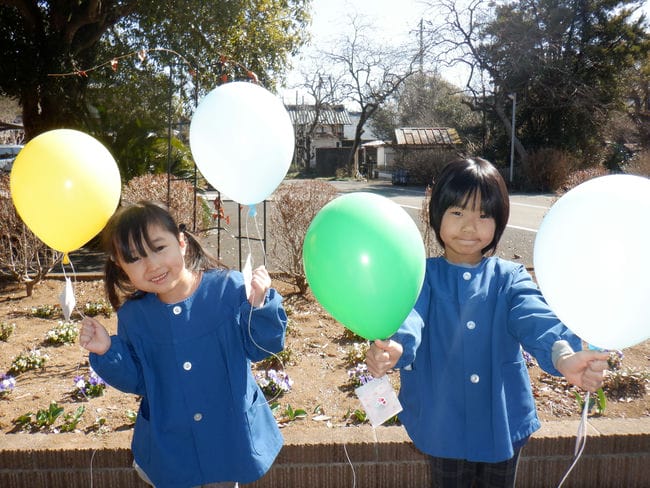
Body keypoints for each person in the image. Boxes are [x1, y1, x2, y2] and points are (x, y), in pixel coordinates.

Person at [365, 158, 609, 488]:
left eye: (483, 215)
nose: (470, 226)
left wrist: (563, 357)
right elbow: (411, 316)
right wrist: (396, 346)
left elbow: (535, 318)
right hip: (443, 420)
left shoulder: (510, 277)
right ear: (437, 216)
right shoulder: (422, 276)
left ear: (498, 221)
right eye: (457, 212)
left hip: (502, 419)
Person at [79, 201, 287, 488]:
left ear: (181, 242)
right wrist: (108, 351)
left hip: (227, 439)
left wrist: (260, 305)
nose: (152, 265)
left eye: (159, 248)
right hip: (172, 449)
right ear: (119, 264)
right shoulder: (134, 315)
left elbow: (263, 347)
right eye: (135, 259)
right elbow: (139, 380)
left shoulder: (228, 289)